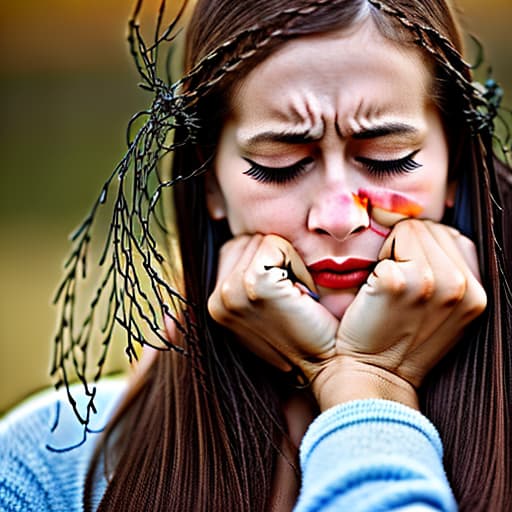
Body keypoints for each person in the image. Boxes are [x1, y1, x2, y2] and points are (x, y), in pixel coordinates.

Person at [1, 0, 511, 510]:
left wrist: (367, 385)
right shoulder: (51, 462)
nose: (339, 216)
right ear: (210, 183)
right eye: (281, 165)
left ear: (455, 167)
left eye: (388, 158)